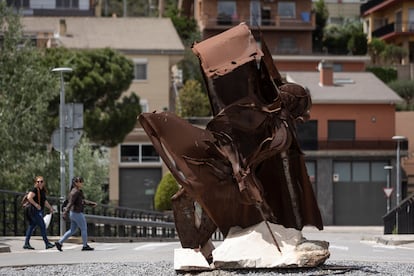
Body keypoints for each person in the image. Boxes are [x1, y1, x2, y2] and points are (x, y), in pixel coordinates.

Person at [55, 176, 97, 251]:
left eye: (82, 181)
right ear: (75, 183)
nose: (82, 182)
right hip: (77, 213)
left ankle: (59, 242)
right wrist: (65, 212)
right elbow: (70, 203)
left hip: (73, 213)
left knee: (72, 230)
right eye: (80, 181)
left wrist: (91, 204)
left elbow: (82, 201)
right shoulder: (75, 192)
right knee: (84, 228)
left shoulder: (77, 191)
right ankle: (85, 246)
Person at [23, 176, 55, 250]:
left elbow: (44, 201)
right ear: (36, 182)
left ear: (44, 182)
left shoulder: (42, 191)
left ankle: (26, 244)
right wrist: (36, 204)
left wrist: (50, 207)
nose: (39, 183)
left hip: (37, 211)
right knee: (42, 226)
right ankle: (47, 243)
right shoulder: (34, 189)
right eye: (38, 181)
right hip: (33, 211)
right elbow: (29, 197)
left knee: (31, 226)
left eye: (41, 181)